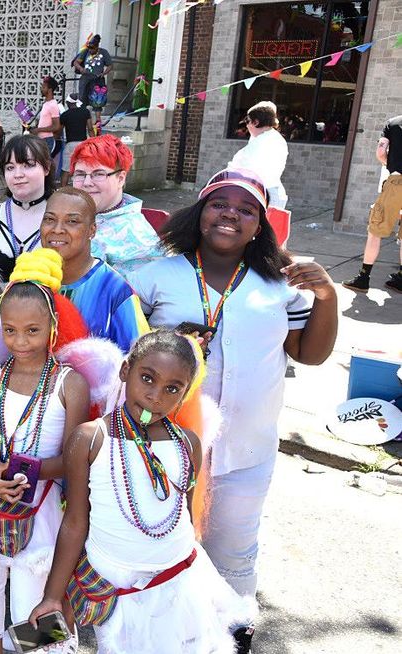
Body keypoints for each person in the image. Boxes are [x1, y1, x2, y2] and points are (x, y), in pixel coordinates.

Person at [129, 169, 338, 654]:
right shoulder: (156, 273)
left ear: (260, 225)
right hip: (163, 450)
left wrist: (326, 296)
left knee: (234, 553)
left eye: (246, 210)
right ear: (200, 212)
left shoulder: (278, 284)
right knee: (162, 550)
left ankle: (233, 634)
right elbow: (128, 352)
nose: (231, 214)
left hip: (248, 448)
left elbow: (311, 353)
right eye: (220, 203)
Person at [30, 329, 253, 653]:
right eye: (147, 378)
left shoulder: (187, 444)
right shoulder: (90, 439)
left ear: (185, 393)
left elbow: (185, 517)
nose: (155, 396)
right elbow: (75, 522)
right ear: (126, 371)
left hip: (179, 580)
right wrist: (52, 596)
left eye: (172, 389)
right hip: (116, 588)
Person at [0, 250, 91, 653]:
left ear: (53, 326)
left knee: (31, 601)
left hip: (42, 511)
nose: (20, 341)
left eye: (32, 330)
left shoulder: (71, 385)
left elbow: (73, 460)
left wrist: (16, 472)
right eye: (10, 330)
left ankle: (42, 649)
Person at [42, 187, 148, 353]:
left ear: (92, 230)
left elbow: (138, 360)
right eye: (49, 219)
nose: (57, 229)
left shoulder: (116, 291)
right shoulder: (30, 278)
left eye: (72, 221)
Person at [69, 134, 162, 275]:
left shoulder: (139, 241)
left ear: (120, 179)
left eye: (99, 174)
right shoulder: (69, 214)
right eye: (80, 174)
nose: (87, 183)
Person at [0, 135, 54, 280]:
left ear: (46, 168)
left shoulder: (62, 220)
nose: (18, 174)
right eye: (10, 167)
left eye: (28, 165)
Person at [342, 114, 402, 293]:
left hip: (397, 182)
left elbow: (381, 152)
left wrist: (389, 164)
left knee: (375, 230)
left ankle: (363, 277)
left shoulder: (394, 123)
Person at [228, 101, 288, 210]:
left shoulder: (263, 141)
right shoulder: (272, 137)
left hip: (263, 194)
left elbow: (240, 165)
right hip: (268, 193)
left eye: (248, 121)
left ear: (255, 122)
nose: (247, 125)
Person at [72, 34, 112, 126]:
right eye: (89, 48)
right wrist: (81, 69)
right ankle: (83, 120)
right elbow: (76, 62)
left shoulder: (103, 52)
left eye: (93, 48)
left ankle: (98, 120)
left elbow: (110, 65)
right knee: (82, 99)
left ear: (97, 46)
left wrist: (104, 73)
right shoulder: (85, 51)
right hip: (85, 79)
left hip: (97, 79)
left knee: (98, 100)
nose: (91, 50)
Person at [59, 94, 94, 187]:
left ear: (67, 103)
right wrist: (94, 141)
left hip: (70, 144)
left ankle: (63, 191)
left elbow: (59, 131)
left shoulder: (65, 115)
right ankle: (82, 189)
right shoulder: (85, 112)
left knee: (66, 170)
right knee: (83, 168)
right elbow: (90, 128)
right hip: (83, 144)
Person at [31, 76, 62, 162]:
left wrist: (38, 130)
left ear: (50, 90)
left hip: (47, 140)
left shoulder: (53, 105)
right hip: (41, 140)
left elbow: (56, 126)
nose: (41, 89)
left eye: (43, 87)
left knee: (44, 165)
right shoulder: (46, 104)